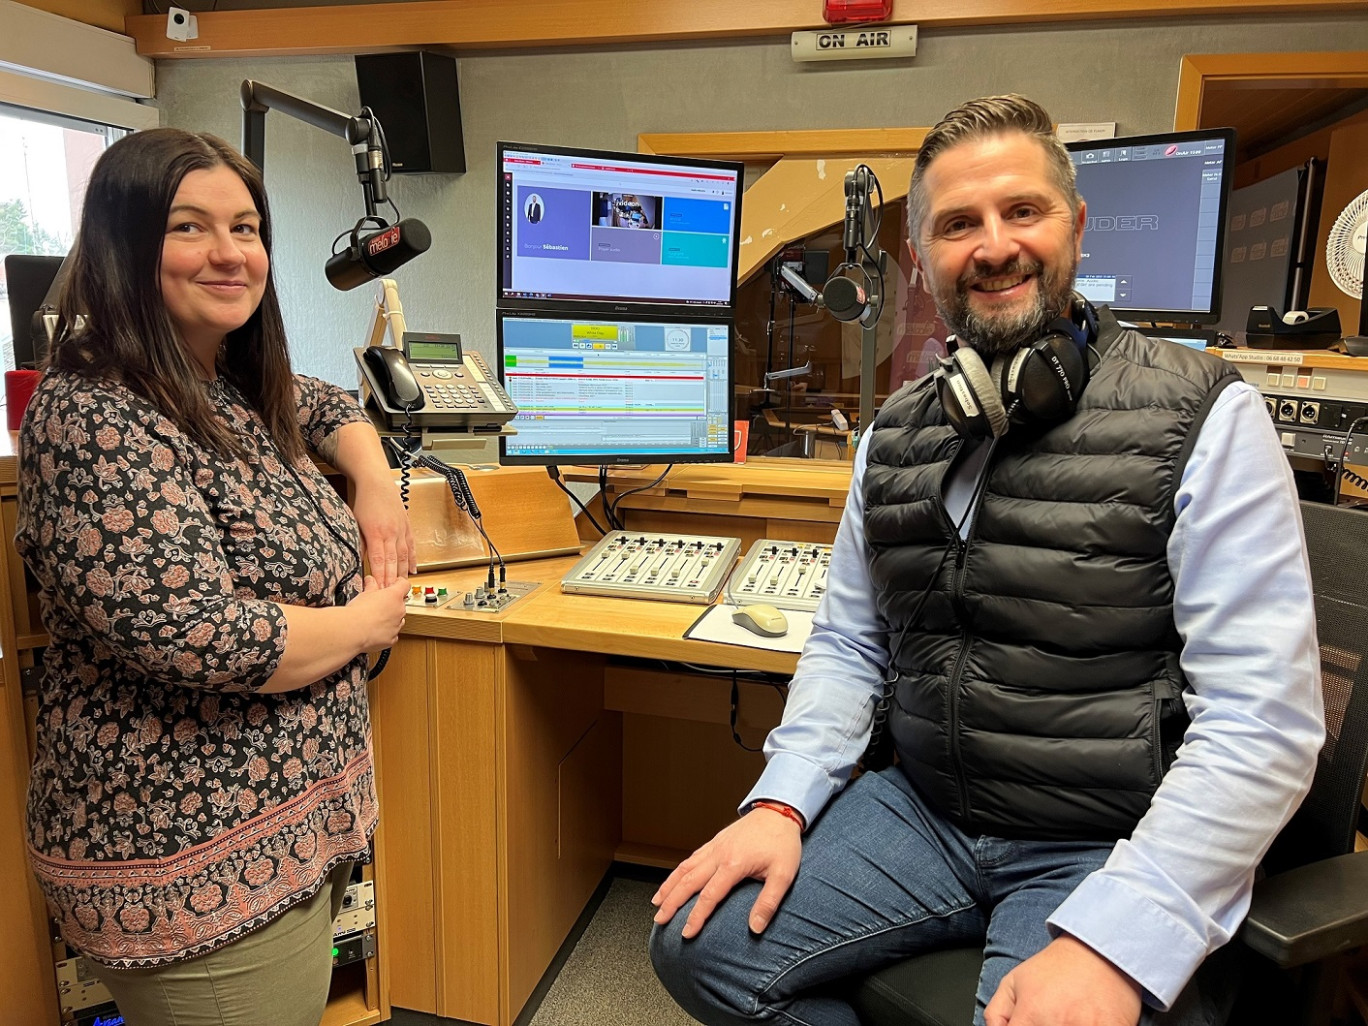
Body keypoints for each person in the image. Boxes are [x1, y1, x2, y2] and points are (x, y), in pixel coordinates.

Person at [649, 95, 1325, 1026]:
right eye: (958, 224)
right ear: (922, 262)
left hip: (1103, 835)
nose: (993, 245)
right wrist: (782, 804)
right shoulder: (894, 433)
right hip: (923, 811)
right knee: (701, 942)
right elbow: (851, 644)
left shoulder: (1204, 416)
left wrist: (1115, 937)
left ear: (1077, 227)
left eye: (1023, 211)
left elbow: (1261, 723)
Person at [15, 128, 415, 1026]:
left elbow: (327, 402)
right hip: (187, 866)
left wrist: (379, 486)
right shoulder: (95, 414)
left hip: (294, 830)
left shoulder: (220, 378)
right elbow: (200, 636)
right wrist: (365, 622)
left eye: (246, 226)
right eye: (190, 228)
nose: (230, 253)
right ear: (123, 245)